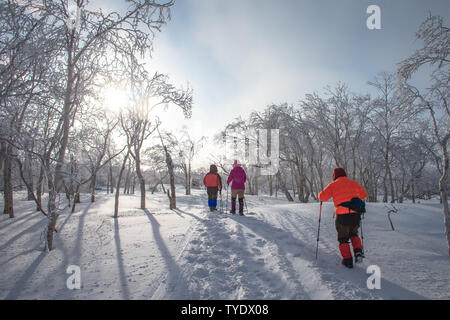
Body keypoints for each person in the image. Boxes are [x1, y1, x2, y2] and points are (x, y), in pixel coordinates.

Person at [318, 168, 367, 269]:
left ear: (334, 176)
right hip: (355, 215)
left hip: (342, 216)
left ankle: (347, 260)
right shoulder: (354, 183)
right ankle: (358, 252)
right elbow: (363, 195)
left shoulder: (333, 185)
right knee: (354, 234)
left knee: (343, 238)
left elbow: (322, 197)